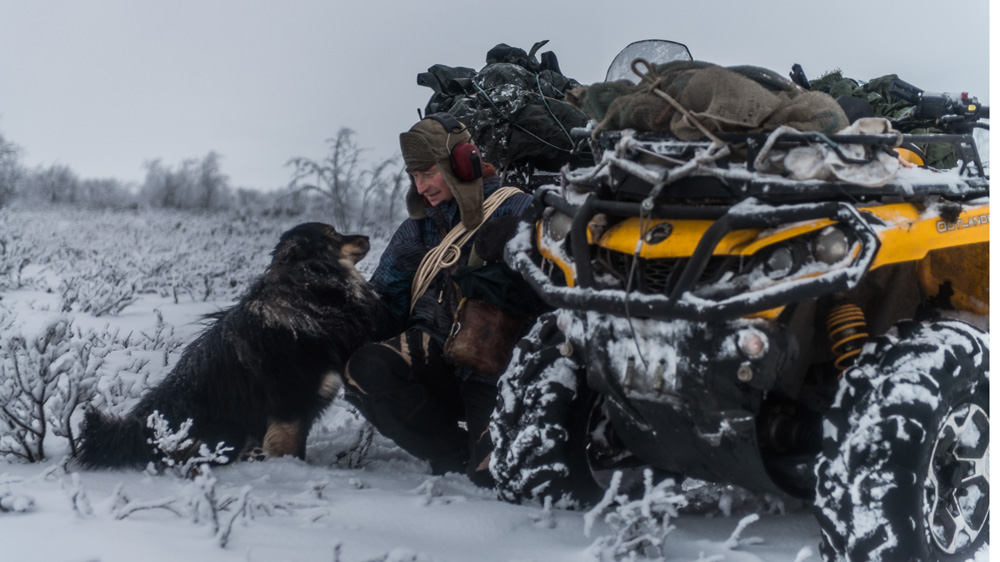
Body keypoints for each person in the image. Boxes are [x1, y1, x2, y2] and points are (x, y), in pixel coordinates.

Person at [343, 114, 533, 487]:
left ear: (463, 162)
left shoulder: (520, 210)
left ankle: (483, 454)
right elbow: (384, 303)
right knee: (363, 371)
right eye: (414, 175)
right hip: (433, 354)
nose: (422, 185)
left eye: (429, 172)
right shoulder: (417, 229)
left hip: (497, 370)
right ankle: (450, 451)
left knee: (489, 476)